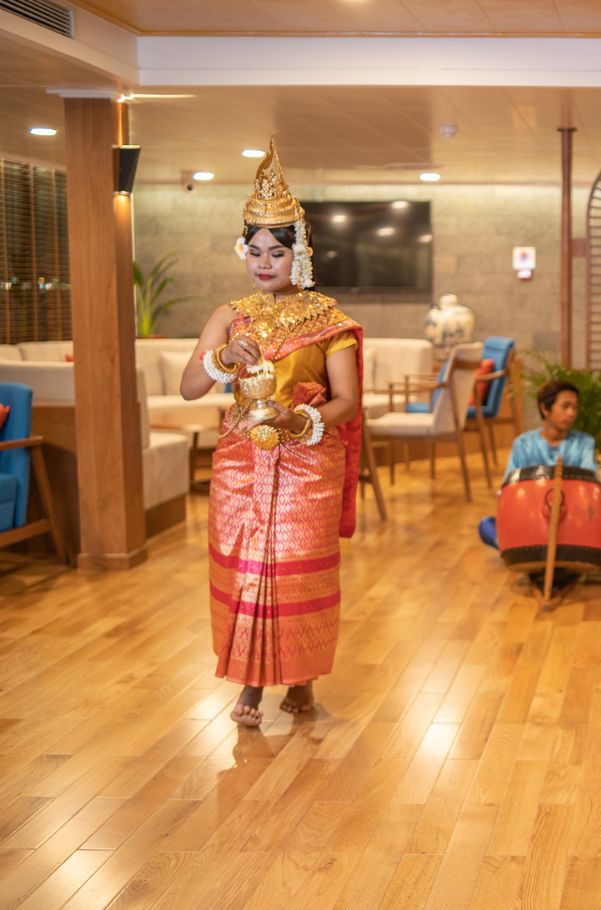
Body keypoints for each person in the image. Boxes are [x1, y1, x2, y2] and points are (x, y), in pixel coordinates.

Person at [180, 138, 362, 728]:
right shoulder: (228, 316)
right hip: (240, 460)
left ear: (299, 255)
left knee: (294, 567)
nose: (264, 263)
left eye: (277, 253)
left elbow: (347, 401)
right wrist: (223, 358)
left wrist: (296, 420)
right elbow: (189, 388)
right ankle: (251, 681)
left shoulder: (329, 321)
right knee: (245, 566)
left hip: (306, 459)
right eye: (255, 251)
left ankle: (302, 679)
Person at [478, 379, 601, 549]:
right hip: (531, 522)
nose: (572, 413)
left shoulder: (584, 443)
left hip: (573, 523)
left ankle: (516, 548)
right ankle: (513, 546)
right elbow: (508, 489)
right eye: (565, 406)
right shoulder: (523, 444)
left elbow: (590, 486)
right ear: (545, 409)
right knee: (485, 524)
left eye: (575, 407)